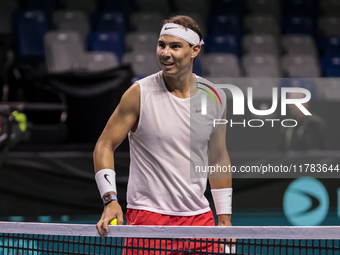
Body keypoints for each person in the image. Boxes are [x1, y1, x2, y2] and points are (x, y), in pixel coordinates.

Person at [93, 15, 232, 253]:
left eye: (175, 46)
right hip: (148, 219)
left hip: (199, 219)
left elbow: (218, 157)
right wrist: (110, 200)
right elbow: (104, 145)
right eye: (162, 45)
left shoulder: (215, 96)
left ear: (195, 50)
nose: (165, 53)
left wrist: (225, 218)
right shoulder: (139, 94)